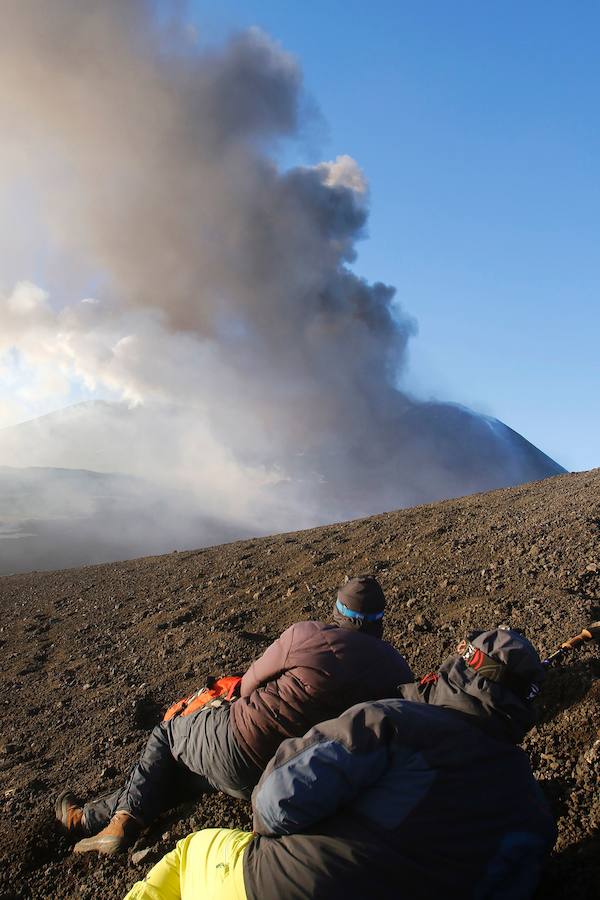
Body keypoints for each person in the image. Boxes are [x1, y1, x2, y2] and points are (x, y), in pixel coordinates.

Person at [123, 626, 557, 900]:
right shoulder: (534, 811)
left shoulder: (390, 721)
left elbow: (275, 801)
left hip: (285, 883)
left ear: (458, 667)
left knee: (189, 852)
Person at [56, 575, 413, 854]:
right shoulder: (396, 669)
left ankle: (120, 821)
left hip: (238, 739)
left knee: (167, 735)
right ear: (379, 622)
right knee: (180, 774)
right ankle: (88, 818)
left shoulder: (306, 634)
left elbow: (247, 685)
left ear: (337, 610)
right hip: (285, 780)